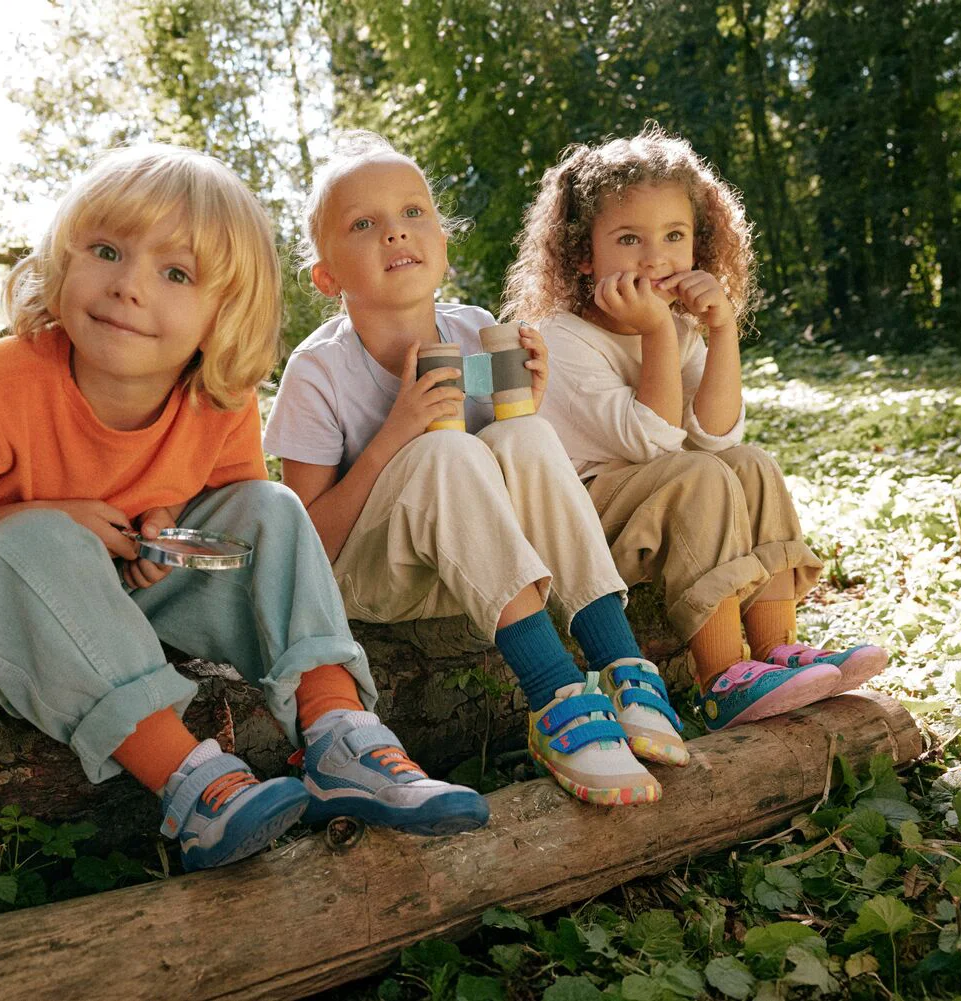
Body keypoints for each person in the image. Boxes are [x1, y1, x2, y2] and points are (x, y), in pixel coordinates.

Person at [0, 144, 487, 873]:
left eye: (174, 272)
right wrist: (48, 515)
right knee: (46, 543)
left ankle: (340, 733)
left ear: (223, 310)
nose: (128, 286)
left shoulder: (216, 393)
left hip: (120, 586)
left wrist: (167, 529)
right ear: (63, 254)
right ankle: (194, 786)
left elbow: (227, 526)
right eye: (107, 250)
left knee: (271, 508)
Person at [264, 131, 687, 808]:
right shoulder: (317, 372)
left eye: (412, 214)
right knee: (443, 448)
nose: (396, 235)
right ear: (327, 276)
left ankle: (619, 661)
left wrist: (531, 409)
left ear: (442, 238)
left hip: (477, 573)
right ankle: (553, 693)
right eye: (364, 224)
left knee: (524, 436)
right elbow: (307, 543)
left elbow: (511, 473)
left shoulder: (475, 330)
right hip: (374, 580)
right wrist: (395, 434)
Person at [503, 125, 887, 733]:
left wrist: (721, 330)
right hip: (583, 525)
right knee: (700, 476)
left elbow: (718, 437)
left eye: (674, 237)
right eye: (628, 239)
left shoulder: (678, 329)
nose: (654, 258)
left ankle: (777, 650)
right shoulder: (562, 338)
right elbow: (653, 441)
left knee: (751, 464)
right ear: (583, 254)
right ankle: (720, 681)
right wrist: (658, 331)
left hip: (658, 503)